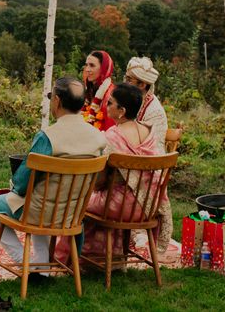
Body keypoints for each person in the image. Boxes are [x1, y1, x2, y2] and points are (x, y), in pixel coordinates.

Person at [0, 76, 107, 275]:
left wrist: (15, 185)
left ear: (57, 101)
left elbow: (22, 182)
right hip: (71, 214)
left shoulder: (48, 137)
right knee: (40, 197)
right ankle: (42, 268)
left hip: (39, 211)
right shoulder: (97, 137)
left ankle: (27, 263)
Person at [53, 83, 165, 263]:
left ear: (121, 111)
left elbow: (99, 181)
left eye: (111, 103)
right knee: (108, 194)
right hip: (148, 205)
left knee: (75, 202)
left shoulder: (113, 137)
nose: (106, 105)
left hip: (121, 208)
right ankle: (111, 256)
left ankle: (62, 258)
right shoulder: (149, 132)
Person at [124, 56, 173, 252]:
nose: (124, 82)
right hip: (130, 160)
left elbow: (149, 147)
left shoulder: (154, 110)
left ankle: (133, 229)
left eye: (129, 80)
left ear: (142, 84)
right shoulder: (131, 101)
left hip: (149, 166)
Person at [81, 50, 116, 131]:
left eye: (92, 65)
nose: (87, 69)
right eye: (86, 65)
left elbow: (111, 129)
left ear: (103, 68)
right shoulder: (89, 90)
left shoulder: (111, 95)